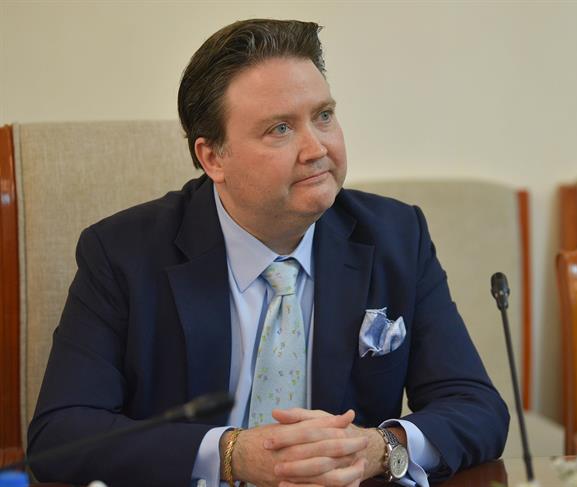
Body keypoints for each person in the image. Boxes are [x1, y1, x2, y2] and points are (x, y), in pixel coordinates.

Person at [27, 19, 509, 487]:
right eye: (280, 128)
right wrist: (230, 455)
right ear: (213, 158)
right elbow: (61, 434)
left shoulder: (397, 237)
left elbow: (476, 407)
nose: (316, 148)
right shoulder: (122, 253)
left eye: (323, 115)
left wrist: (380, 449)